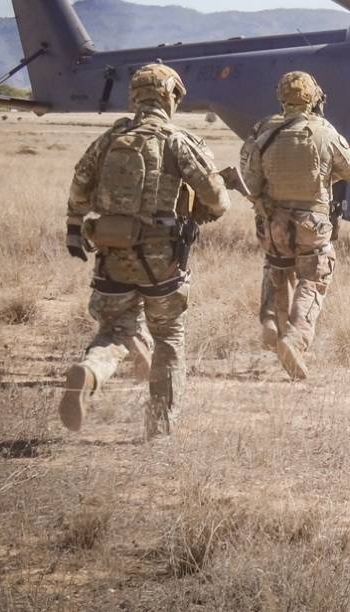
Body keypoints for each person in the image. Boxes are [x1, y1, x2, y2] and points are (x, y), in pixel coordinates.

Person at [61, 63, 230, 437]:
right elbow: (217, 200)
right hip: (163, 262)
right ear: (171, 96)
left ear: (134, 97)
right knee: (168, 336)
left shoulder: (109, 139)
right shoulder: (177, 140)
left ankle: (90, 372)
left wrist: (78, 226)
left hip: (111, 257)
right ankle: (159, 428)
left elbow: (77, 193)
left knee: (116, 331)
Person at [240, 71, 350, 379]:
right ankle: (296, 337)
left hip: (273, 222)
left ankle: (270, 321)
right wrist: (325, 175)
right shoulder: (323, 131)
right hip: (312, 222)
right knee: (314, 278)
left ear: (281, 97)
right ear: (315, 97)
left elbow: (251, 180)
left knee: (277, 268)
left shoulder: (264, 131)